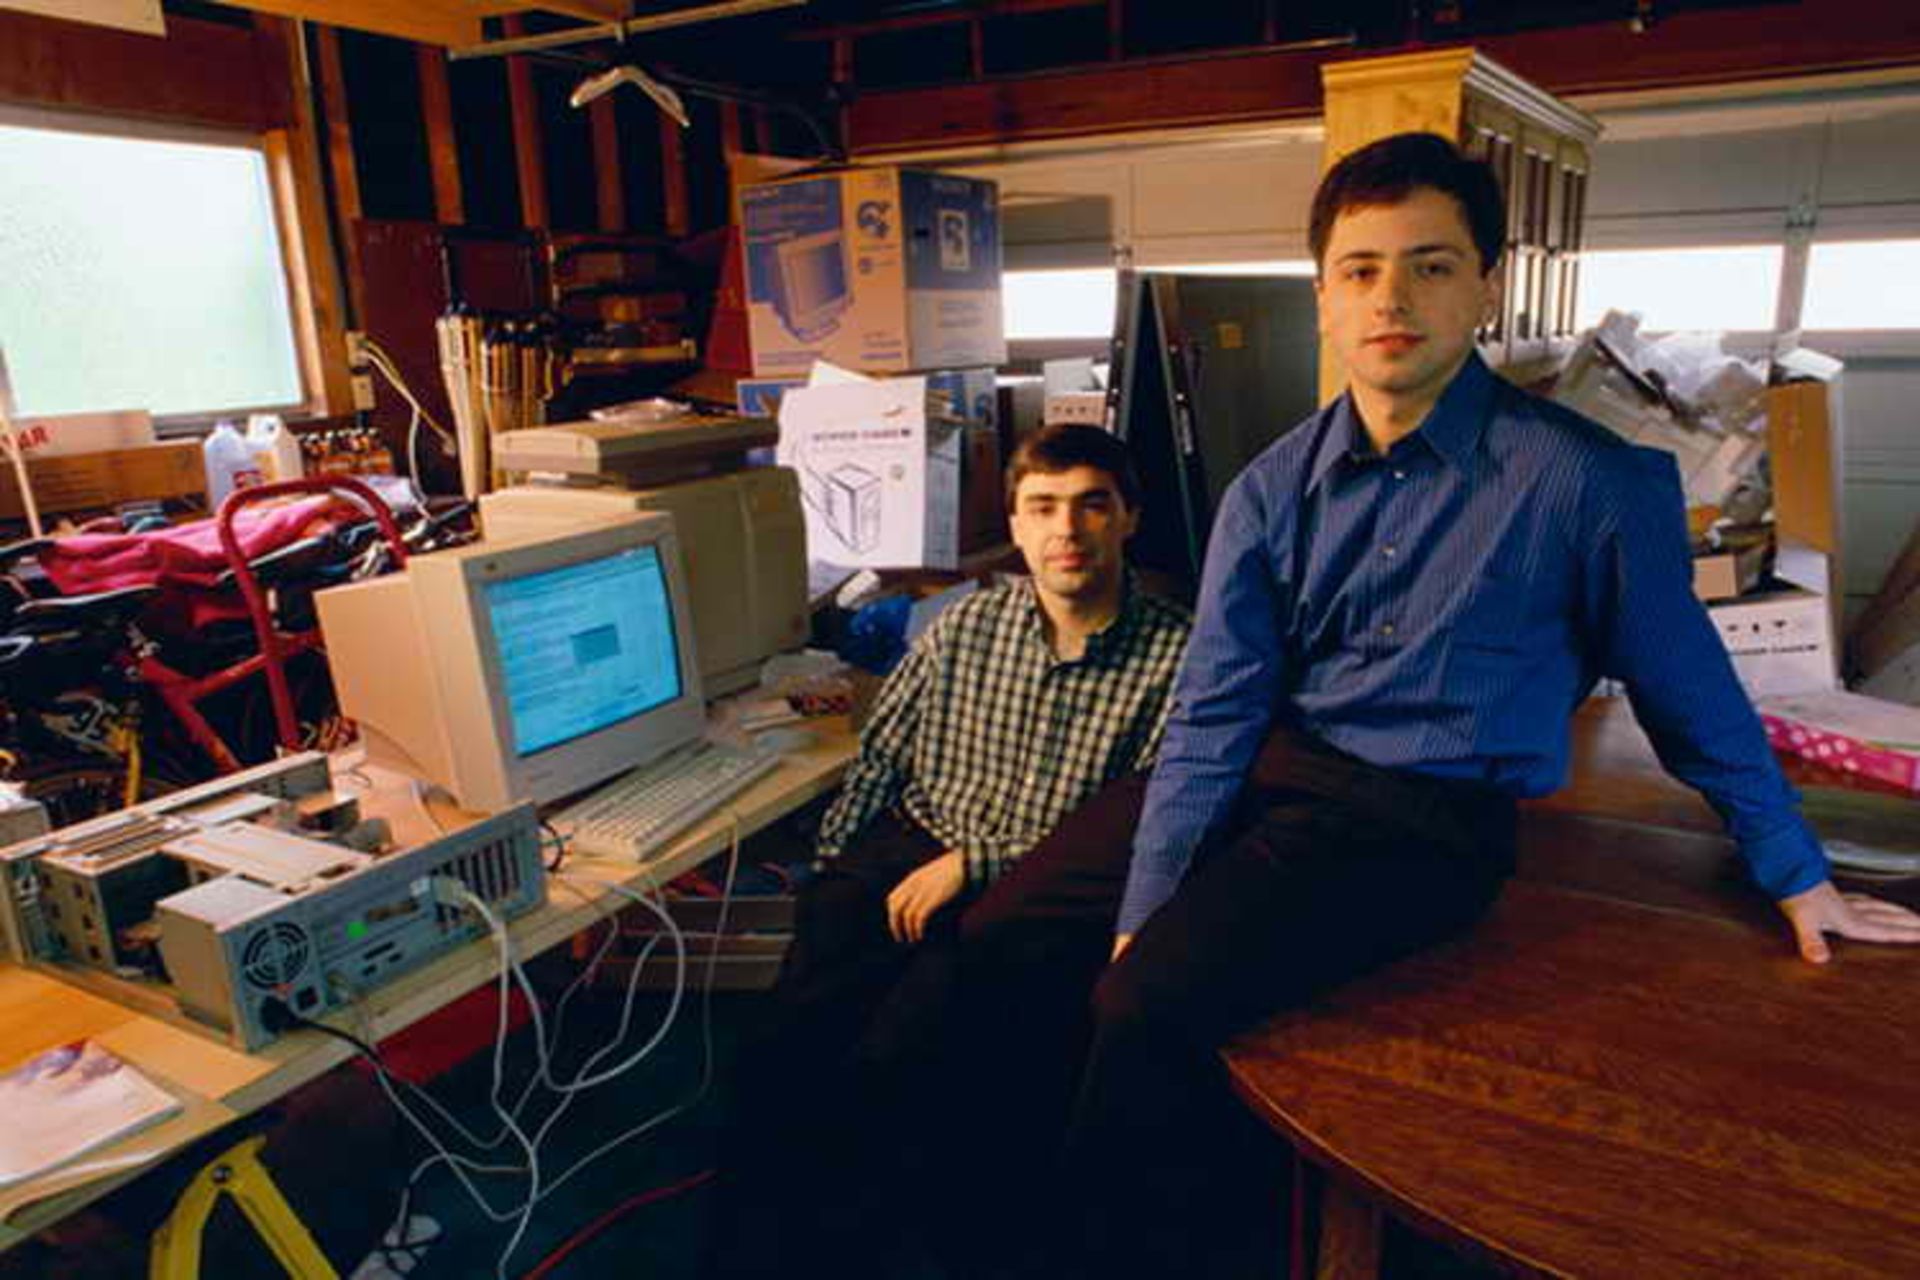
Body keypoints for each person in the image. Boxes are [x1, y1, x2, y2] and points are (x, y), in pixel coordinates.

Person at [955, 131, 1920, 1279]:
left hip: (1419, 817)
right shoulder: (1271, 487)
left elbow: (1684, 683)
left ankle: (1107, 1252)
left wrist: (1794, 868)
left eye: (1430, 263)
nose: (1391, 297)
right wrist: (1149, 888)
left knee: (1141, 1002)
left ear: (1485, 286)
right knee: (1001, 933)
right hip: (1276, 765)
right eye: (1360, 269)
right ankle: (992, 1217)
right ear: (1323, 296)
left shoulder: (1586, 479)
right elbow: (1213, 713)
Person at [704, 423, 1191, 1278]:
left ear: (1129, 519)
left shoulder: (1177, 658)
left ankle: (870, 1238)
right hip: (915, 843)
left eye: (1091, 506)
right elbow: (884, 755)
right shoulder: (965, 627)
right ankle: (760, 1229)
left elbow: (1133, 825)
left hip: (1035, 883)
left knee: (900, 1054)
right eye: (1042, 508)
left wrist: (980, 862)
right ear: (1015, 520)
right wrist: (838, 874)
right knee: (790, 1031)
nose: (1065, 532)